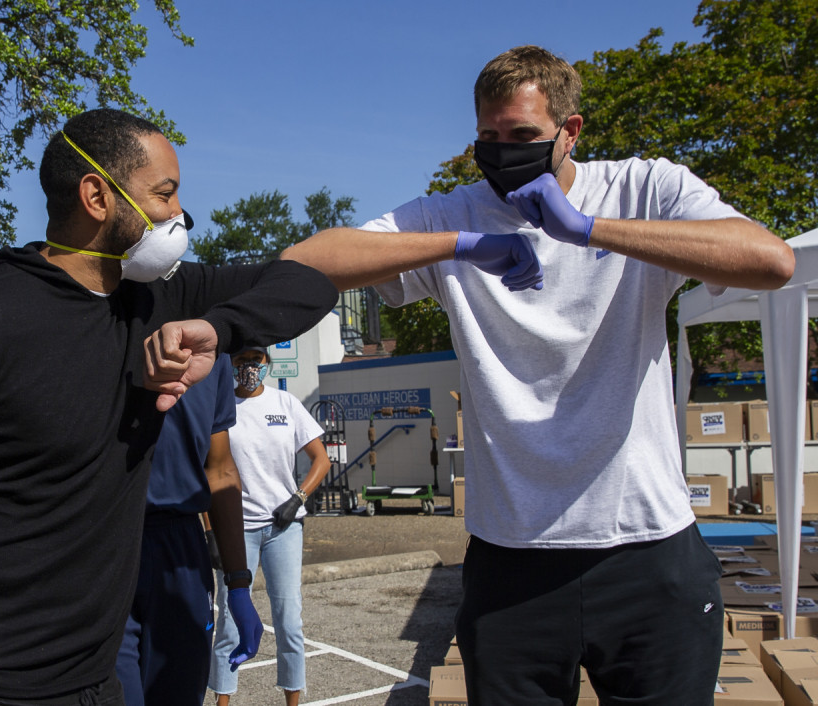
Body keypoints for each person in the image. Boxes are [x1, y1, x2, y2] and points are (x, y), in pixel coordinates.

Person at [280, 45, 796, 705]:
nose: (503, 153)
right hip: (512, 558)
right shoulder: (452, 216)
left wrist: (589, 231)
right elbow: (308, 261)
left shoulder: (643, 188)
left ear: (569, 130)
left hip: (646, 548)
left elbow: (769, 260)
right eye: (488, 138)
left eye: (522, 136)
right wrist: (461, 246)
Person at [0, 108, 341, 704]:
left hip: (94, 685)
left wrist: (456, 240)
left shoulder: (158, 297)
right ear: (96, 194)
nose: (179, 215)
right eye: (164, 194)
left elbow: (311, 274)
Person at [115, 354, 263, 706]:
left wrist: (239, 584)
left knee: (178, 694)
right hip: (107, 541)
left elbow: (221, 469)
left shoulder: (214, 356)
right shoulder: (103, 332)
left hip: (179, 546)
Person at [208, 346, 331, 706]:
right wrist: (211, 531)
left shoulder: (286, 404)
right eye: (242, 359)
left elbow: (320, 459)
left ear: (268, 363)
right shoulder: (221, 406)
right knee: (229, 625)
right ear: (230, 364)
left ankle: (293, 699)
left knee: (289, 621)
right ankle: (223, 699)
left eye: (257, 360)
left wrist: (298, 499)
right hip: (237, 531)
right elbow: (208, 469)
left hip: (284, 528)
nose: (250, 367)